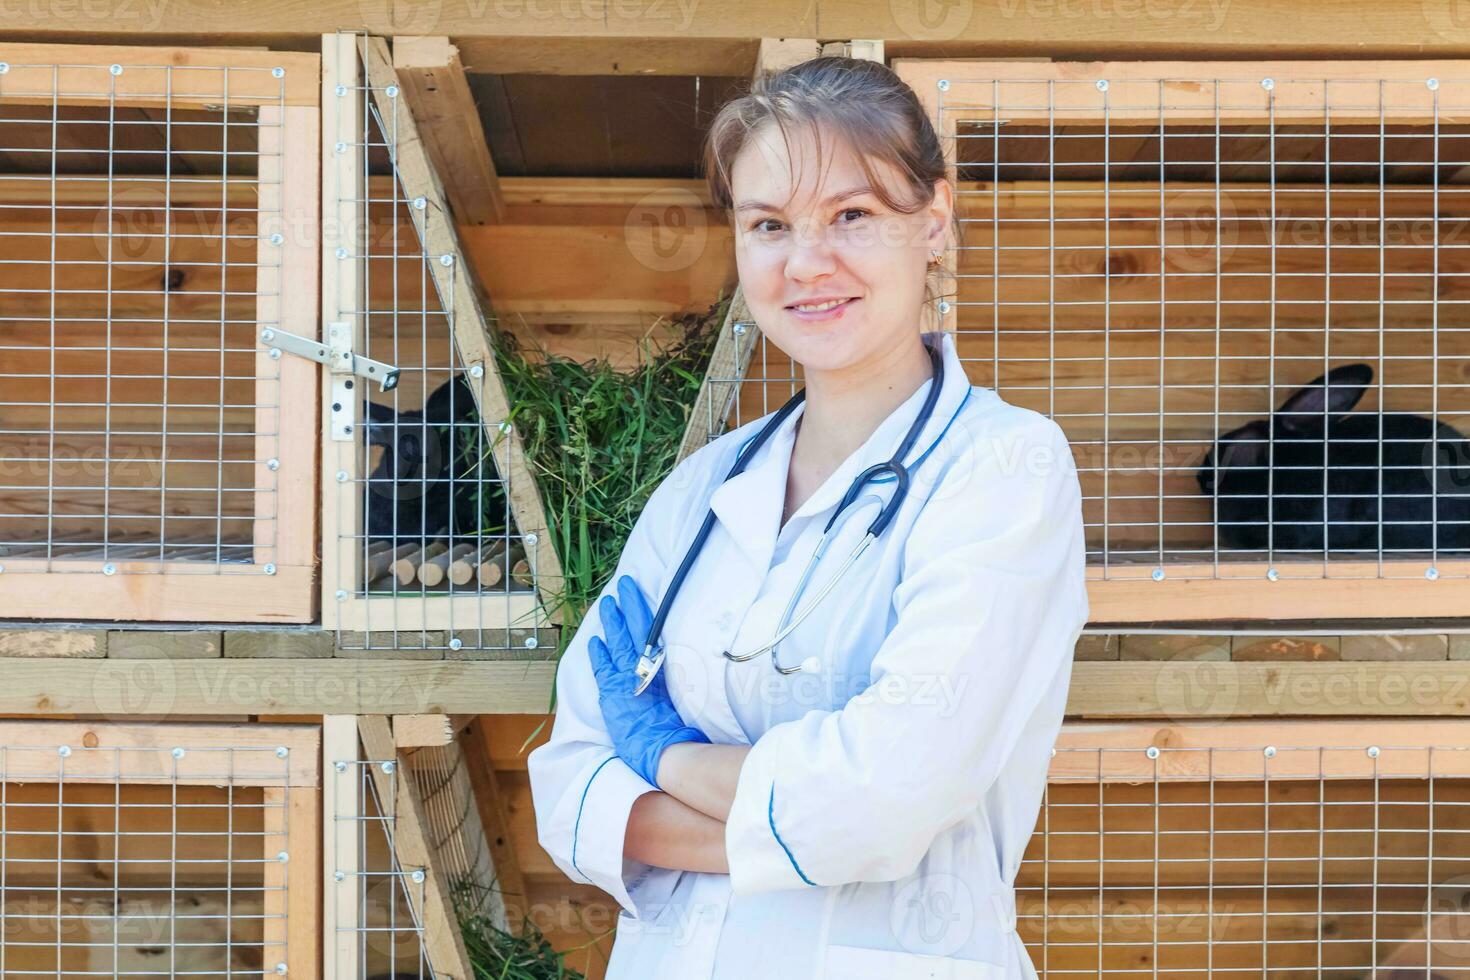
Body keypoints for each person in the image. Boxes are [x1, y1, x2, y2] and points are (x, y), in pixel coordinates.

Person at [527, 56, 1089, 979]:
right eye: (770, 225)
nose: (806, 262)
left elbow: (887, 797)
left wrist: (661, 757)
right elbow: (568, 783)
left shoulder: (1004, 468)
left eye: (852, 216)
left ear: (934, 223)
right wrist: (798, 818)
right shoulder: (703, 490)